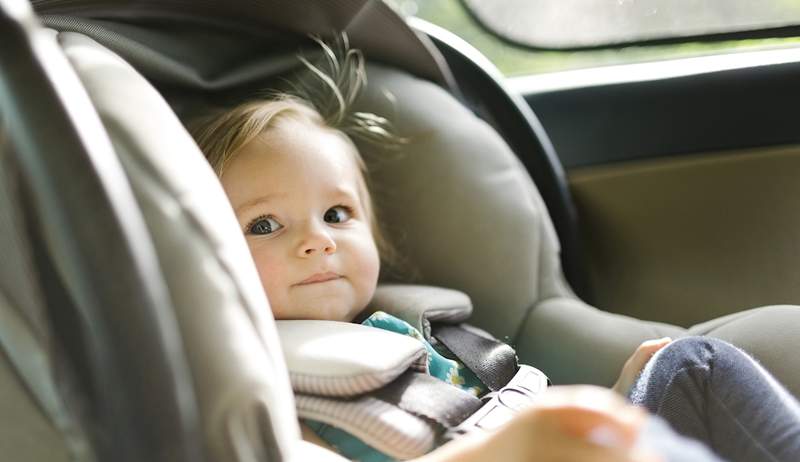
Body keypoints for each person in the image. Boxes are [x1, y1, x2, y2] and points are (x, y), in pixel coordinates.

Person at [191, 39, 800, 462]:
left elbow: (508, 418)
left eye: (337, 214)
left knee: (692, 365)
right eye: (265, 225)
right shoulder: (247, 386)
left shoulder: (418, 337)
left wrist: (614, 400)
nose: (317, 240)